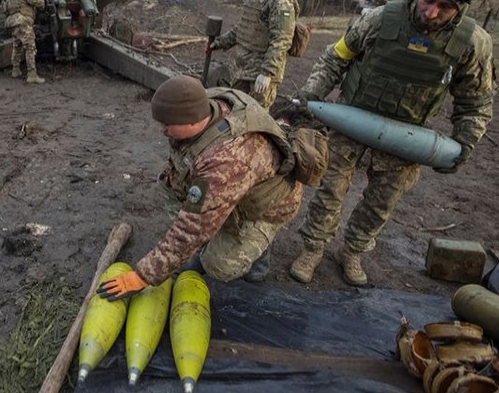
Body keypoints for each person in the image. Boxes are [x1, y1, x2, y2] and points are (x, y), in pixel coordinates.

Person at [289, 0, 495, 286]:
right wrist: (312, 95)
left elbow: (476, 100)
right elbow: (336, 57)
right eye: (428, 1)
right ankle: (313, 247)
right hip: (351, 120)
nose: (431, 13)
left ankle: (353, 250)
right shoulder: (380, 19)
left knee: (381, 202)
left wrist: (465, 142)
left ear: (462, 6)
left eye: (444, 7)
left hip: (408, 136)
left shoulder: (472, 43)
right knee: (329, 190)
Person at [96, 75, 327, 301]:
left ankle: (261, 248)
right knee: (168, 184)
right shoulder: (205, 103)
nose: (161, 130)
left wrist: (142, 276)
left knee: (218, 266)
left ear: (191, 122)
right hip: (236, 186)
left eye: (167, 124)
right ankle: (217, 227)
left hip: (268, 206)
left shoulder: (226, 160)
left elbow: (191, 229)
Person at [208, 0, 299, 109]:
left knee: (255, 117)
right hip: (243, 68)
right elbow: (244, 27)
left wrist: (267, 73)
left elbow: (281, 40)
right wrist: (221, 42)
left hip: (261, 73)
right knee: (234, 110)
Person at [4, 0, 47, 84]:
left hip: (13, 22)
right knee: (30, 47)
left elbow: (5, 8)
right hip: (23, 20)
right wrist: (42, 3)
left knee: (17, 46)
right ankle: (32, 74)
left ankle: (15, 70)